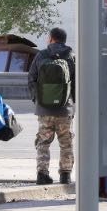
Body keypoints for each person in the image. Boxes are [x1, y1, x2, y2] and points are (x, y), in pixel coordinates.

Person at [28, 27, 76, 185]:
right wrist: (72, 103)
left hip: (44, 109)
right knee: (66, 142)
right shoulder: (71, 56)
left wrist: (38, 100)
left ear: (51, 38)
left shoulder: (41, 55)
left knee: (43, 142)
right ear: (64, 39)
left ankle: (42, 174)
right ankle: (65, 175)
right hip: (65, 109)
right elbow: (77, 82)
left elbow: (31, 78)